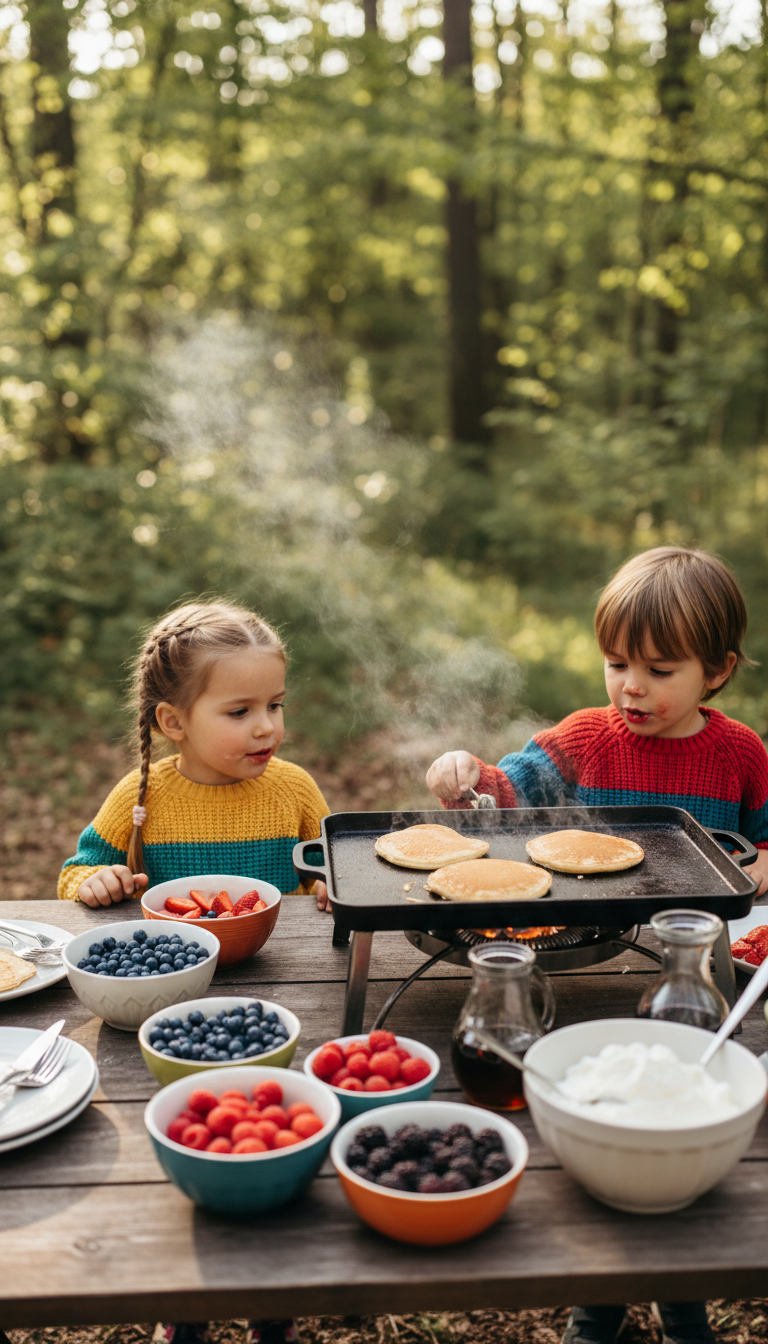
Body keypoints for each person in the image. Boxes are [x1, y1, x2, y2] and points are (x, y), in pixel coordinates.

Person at [426, 545, 768, 1344]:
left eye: (660, 668)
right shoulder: (587, 737)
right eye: (617, 663)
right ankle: (598, 1308)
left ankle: (682, 1308)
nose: (632, 686)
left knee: (672, 1146)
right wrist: (465, 777)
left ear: (715, 672)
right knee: (611, 1140)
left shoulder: (741, 755)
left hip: (690, 981)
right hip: (586, 969)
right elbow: (504, 792)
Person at [58, 599, 332, 1344]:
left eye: (275, 705)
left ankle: (273, 1313)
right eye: (240, 710)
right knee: (200, 1158)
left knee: (272, 1151)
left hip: (287, 1002)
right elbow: (77, 871)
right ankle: (187, 1310)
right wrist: (97, 883)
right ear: (174, 722)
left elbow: (323, 873)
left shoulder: (295, 791)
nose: (267, 727)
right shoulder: (143, 799)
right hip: (167, 1011)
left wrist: (326, 891)